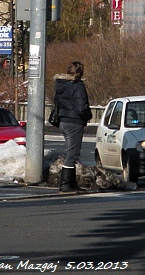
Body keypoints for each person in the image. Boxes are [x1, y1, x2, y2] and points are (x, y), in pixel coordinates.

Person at [54, 61, 91, 193]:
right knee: (73, 154)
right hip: (74, 122)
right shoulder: (78, 86)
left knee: (71, 152)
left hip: (63, 120)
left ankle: (72, 183)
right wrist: (88, 115)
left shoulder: (61, 85)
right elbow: (81, 107)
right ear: (80, 73)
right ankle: (65, 185)